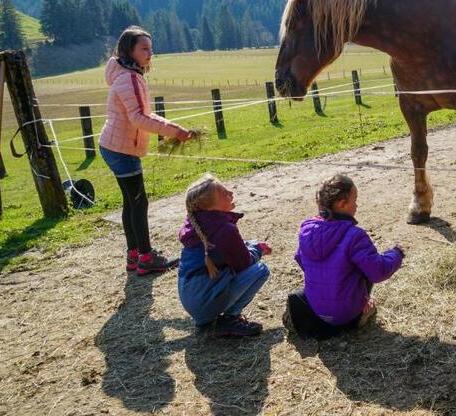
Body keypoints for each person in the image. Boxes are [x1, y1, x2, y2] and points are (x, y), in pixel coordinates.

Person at [99, 26, 194, 275]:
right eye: (144, 49)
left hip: (114, 146)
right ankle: (146, 258)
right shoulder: (129, 78)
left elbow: (141, 114)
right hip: (122, 149)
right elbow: (139, 118)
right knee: (139, 203)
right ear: (129, 51)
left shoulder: (127, 74)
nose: (150, 54)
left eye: (151, 48)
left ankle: (134, 256)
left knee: (131, 203)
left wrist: (172, 129)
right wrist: (176, 131)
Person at [283, 174, 404, 339]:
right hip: (347, 314)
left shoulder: (306, 232)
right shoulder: (354, 235)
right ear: (341, 203)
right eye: (355, 200)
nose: (357, 205)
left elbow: (299, 258)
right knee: (365, 266)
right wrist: (396, 253)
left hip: (316, 310)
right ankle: (361, 312)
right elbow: (378, 271)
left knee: (309, 287)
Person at [177, 174, 271, 337]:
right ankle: (229, 319)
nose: (231, 193)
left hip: (193, 301)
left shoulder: (198, 223)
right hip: (204, 303)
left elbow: (228, 251)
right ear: (209, 207)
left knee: (249, 247)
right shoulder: (224, 229)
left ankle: (210, 320)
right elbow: (245, 263)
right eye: (224, 193)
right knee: (261, 270)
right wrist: (259, 249)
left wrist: (250, 245)